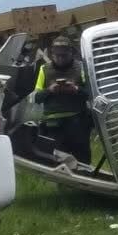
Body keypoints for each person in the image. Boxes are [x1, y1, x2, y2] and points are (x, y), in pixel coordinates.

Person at [33, 36, 92, 164]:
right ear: (52, 54)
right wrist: (50, 90)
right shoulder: (44, 70)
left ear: (71, 53)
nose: (60, 59)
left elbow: (90, 95)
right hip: (54, 126)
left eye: (64, 56)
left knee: (82, 161)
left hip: (78, 123)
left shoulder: (81, 68)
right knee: (58, 162)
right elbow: (37, 98)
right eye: (57, 55)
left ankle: (83, 182)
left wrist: (76, 89)